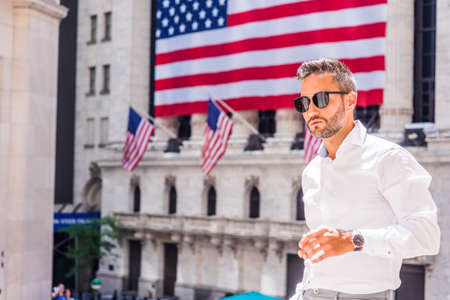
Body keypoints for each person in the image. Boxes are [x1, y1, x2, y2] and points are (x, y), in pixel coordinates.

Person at [290, 58, 440, 300]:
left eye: (321, 99)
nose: (311, 110)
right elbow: (318, 262)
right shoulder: (313, 170)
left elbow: (426, 236)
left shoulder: (388, 159)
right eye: (304, 102)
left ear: (350, 100)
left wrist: (355, 240)